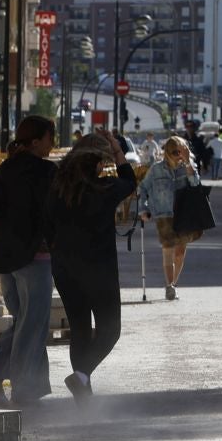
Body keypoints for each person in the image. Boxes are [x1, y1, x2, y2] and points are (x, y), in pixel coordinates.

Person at [0, 114, 59, 412]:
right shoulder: (47, 172)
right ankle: (14, 386)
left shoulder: (1, 171)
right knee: (33, 323)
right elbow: (53, 214)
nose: (53, 144)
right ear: (36, 141)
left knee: (23, 320)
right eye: (51, 138)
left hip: (5, 259)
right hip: (34, 258)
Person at [45, 132, 137, 400]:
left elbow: (47, 227)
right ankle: (82, 376)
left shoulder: (56, 188)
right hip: (99, 269)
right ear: (98, 163)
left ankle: (83, 390)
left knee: (80, 328)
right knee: (111, 330)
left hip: (64, 268)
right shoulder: (104, 188)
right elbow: (129, 182)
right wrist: (118, 152)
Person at [135, 135, 203, 300]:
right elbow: (142, 188)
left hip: (183, 214)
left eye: (180, 151)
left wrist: (187, 163)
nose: (177, 155)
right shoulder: (156, 169)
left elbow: (196, 184)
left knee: (179, 252)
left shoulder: (188, 166)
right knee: (168, 250)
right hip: (163, 215)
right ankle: (169, 285)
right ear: (167, 152)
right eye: (174, 152)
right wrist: (143, 209)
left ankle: (173, 283)